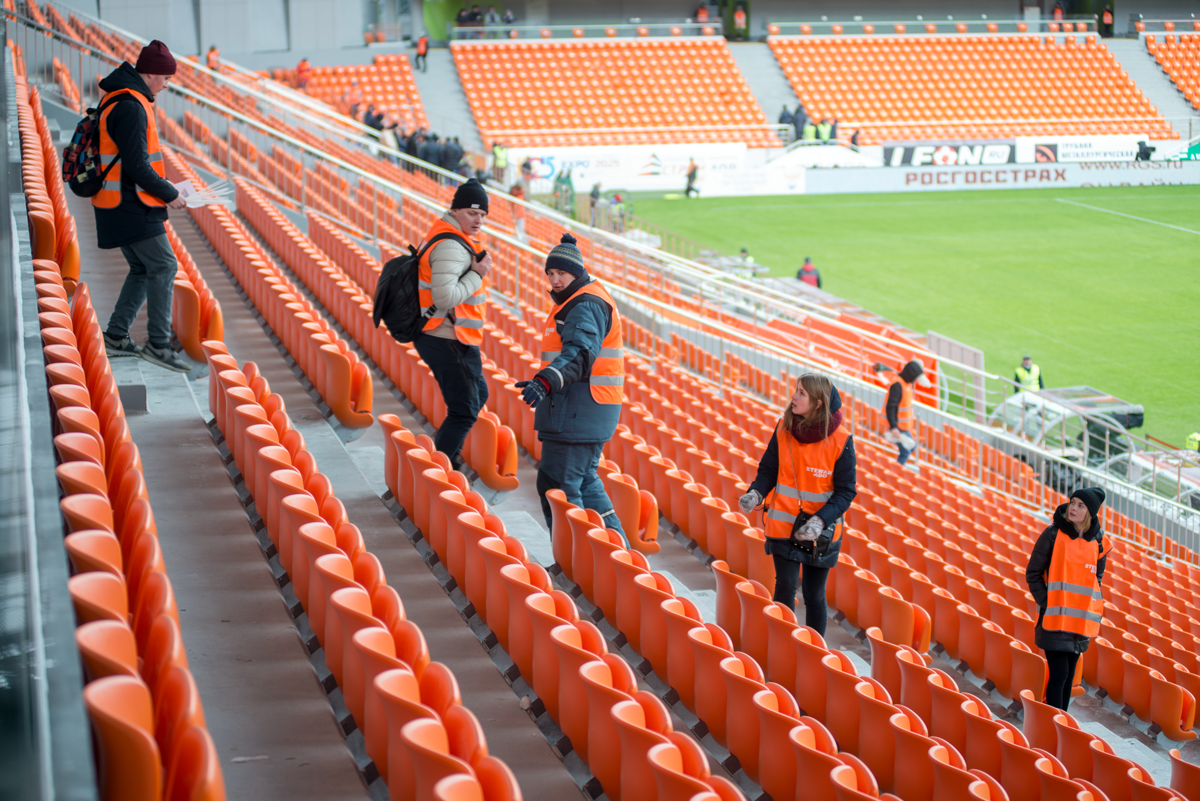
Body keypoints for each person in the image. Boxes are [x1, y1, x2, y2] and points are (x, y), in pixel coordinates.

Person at [516, 234, 628, 543]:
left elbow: (580, 353)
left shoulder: (585, 304)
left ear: (577, 272)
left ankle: (581, 561)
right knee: (581, 483)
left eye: (561, 273)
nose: (554, 280)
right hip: (582, 410)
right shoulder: (578, 301)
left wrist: (545, 380)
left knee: (560, 487)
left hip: (581, 411)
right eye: (550, 274)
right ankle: (616, 555)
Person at [94, 41, 191, 372]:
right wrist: (169, 193)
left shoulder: (120, 97)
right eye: (165, 79)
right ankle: (159, 345)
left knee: (142, 268)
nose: (166, 86)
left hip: (120, 201)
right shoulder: (132, 106)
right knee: (163, 265)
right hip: (129, 203)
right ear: (151, 74)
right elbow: (137, 165)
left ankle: (116, 336)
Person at [739, 375, 856, 635]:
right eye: (796, 391)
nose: (793, 396)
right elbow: (768, 470)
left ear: (817, 403)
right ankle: (782, 644)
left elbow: (846, 491)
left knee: (814, 595)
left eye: (801, 393)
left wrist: (819, 521)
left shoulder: (841, 440)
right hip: (783, 526)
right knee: (785, 586)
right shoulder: (783, 428)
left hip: (821, 534)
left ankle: (814, 652)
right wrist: (756, 494)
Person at [414, 179, 493, 470]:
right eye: (472, 213)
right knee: (464, 410)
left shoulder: (451, 236)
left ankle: (446, 460)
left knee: (477, 396)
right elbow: (445, 296)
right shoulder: (451, 245)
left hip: (452, 334)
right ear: (456, 210)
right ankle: (440, 472)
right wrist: (478, 275)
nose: (478, 220)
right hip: (445, 335)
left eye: (483, 215)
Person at [1026, 487, 1112, 711]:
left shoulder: (1099, 541)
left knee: (1070, 676)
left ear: (1090, 512)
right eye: (1072, 502)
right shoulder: (1053, 534)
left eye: (1080, 505)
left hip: (1081, 622)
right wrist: (1047, 602)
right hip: (1054, 619)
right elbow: (1033, 573)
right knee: (1059, 675)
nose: (1073, 508)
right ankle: (1054, 723)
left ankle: (1060, 722)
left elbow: (1097, 577)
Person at [881, 360, 930, 467]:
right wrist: (894, 427)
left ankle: (896, 472)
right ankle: (895, 473)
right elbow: (891, 407)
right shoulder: (898, 385)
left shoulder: (906, 383)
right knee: (906, 451)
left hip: (902, 425)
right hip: (898, 426)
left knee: (910, 448)